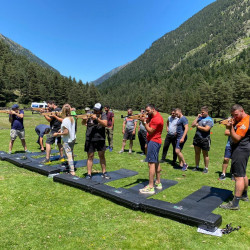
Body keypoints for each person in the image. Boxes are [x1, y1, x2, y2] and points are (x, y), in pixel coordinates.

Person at [220, 104, 249, 210]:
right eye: (232, 115)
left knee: (238, 177)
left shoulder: (245, 122)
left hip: (240, 150)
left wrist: (230, 127)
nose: (234, 117)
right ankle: (244, 195)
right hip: (243, 149)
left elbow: (236, 138)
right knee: (242, 173)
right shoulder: (243, 119)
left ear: (242, 111)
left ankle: (235, 204)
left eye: (236, 114)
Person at [139, 104, 164, 194]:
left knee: (151, 163)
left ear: (153, 109)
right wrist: (144, 120)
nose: (147, 112)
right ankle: (158, 182)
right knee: (156, 162)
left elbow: (150, 130)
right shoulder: (153, 116)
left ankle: (150, 186)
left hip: (154, 141)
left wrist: (144, 122)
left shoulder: (157, 119)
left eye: (148, 111)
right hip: (153, 141)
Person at [83, 103, 110, 179]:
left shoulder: (103, 114)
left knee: (101, 155)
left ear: (100, 110)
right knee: (90, 156)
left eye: (97, 110)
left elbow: (105, 124)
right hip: (90, 138)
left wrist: (97, 118)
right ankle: (89, 174)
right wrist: (84, 120)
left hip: (100, 138)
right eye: (94, 109)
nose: (95, 111)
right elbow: (83, 123)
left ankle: (104, 172)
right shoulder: (89, 114)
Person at [53, 104, 76, 175]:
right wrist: (61, 129)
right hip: (72, 138)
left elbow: (66, 132)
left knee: (69, 155)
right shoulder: (71, 118)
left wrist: (58, 134)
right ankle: (72, 167)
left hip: (67, 140)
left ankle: (72, 171)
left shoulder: (65, 120)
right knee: (71, 154)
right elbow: (68, 128)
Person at [191, 106, 214, 173]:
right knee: (197, 153)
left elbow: (206, 129)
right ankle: (197, 166)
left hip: (205, 139)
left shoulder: (209, 120)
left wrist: (197, 126)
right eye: (201, 112)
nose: (201, 113)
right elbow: (192, 125)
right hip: (197, 138)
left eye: (203, 112)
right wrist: (197, 117)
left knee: (205, 154)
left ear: (207, 112)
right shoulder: (200, 118)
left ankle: (206, 168)